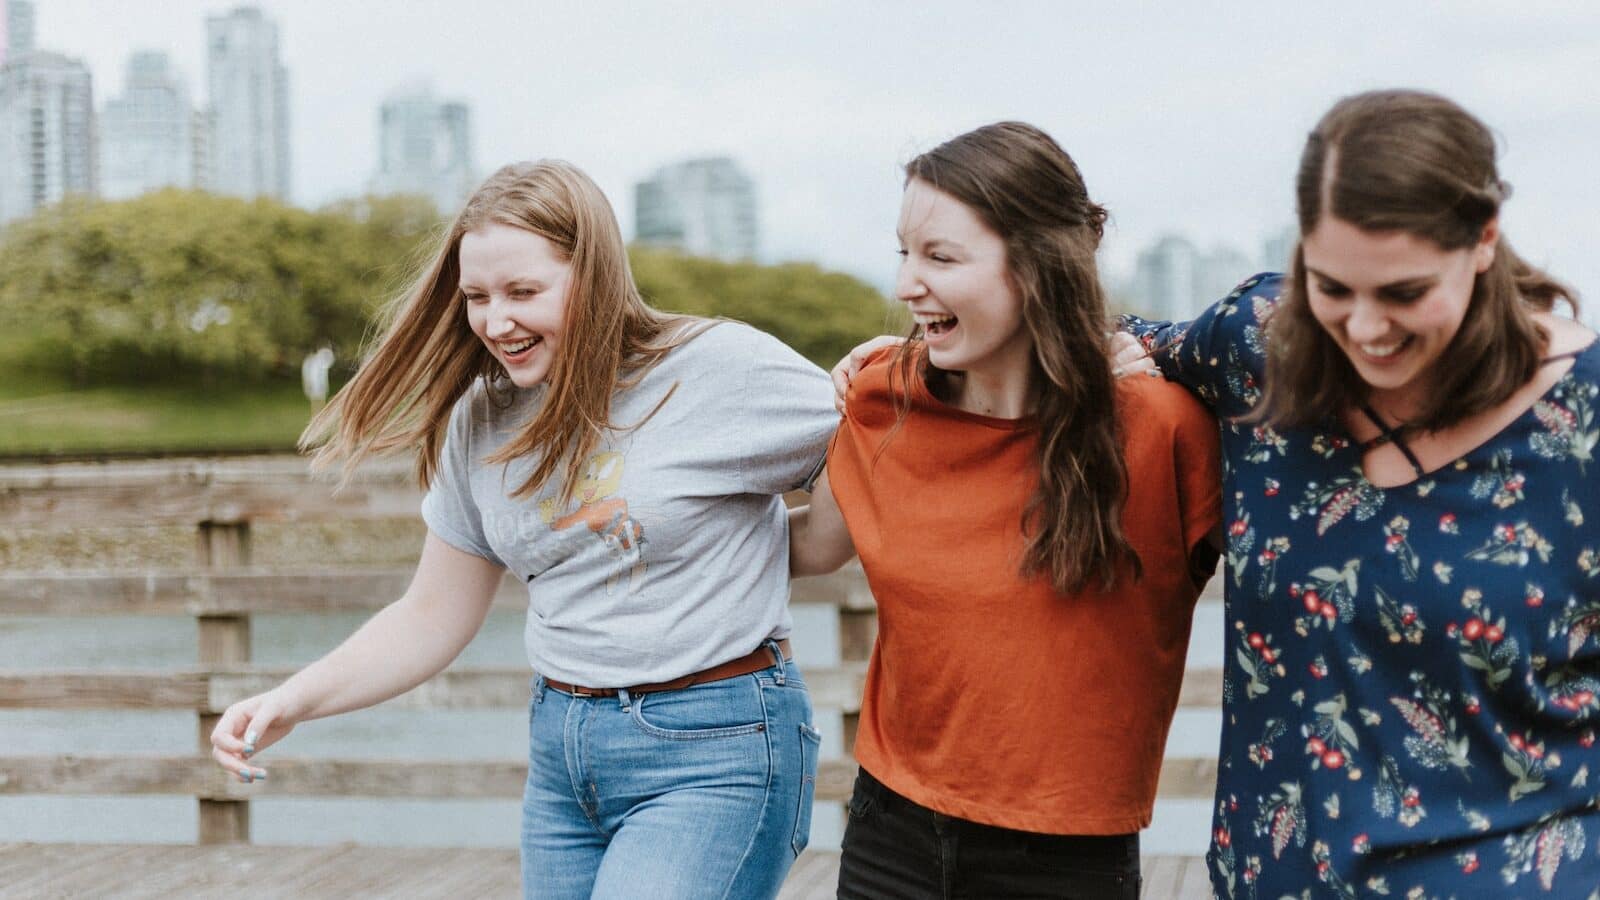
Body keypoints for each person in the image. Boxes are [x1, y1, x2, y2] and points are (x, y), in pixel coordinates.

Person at [208, 160, 837, 899]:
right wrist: (292, 699)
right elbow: (430, 614)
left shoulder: (716, 370)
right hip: (564, 754)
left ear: (594, 276)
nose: (495, 322)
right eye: (476, 297)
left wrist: (793, 547)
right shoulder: (482, 417)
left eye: (523, 292)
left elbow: (874, 448)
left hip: (716, 750)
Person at [1113, 90, 1598, 895]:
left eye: (1404, 293)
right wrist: (904, 371)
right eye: (1333, 287)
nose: (1366, 328)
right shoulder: (1259, 347)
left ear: (1483, 241)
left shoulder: (1583, 419)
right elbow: (1109, 347)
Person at [789, 121, 1223, 898]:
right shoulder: (882, 399)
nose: (905, 285)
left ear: (1037, 267)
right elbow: (808, 550)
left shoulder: (1163, 428)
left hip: (1068, 860)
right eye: (904, 252)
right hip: (890, 835)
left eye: (940, 257)